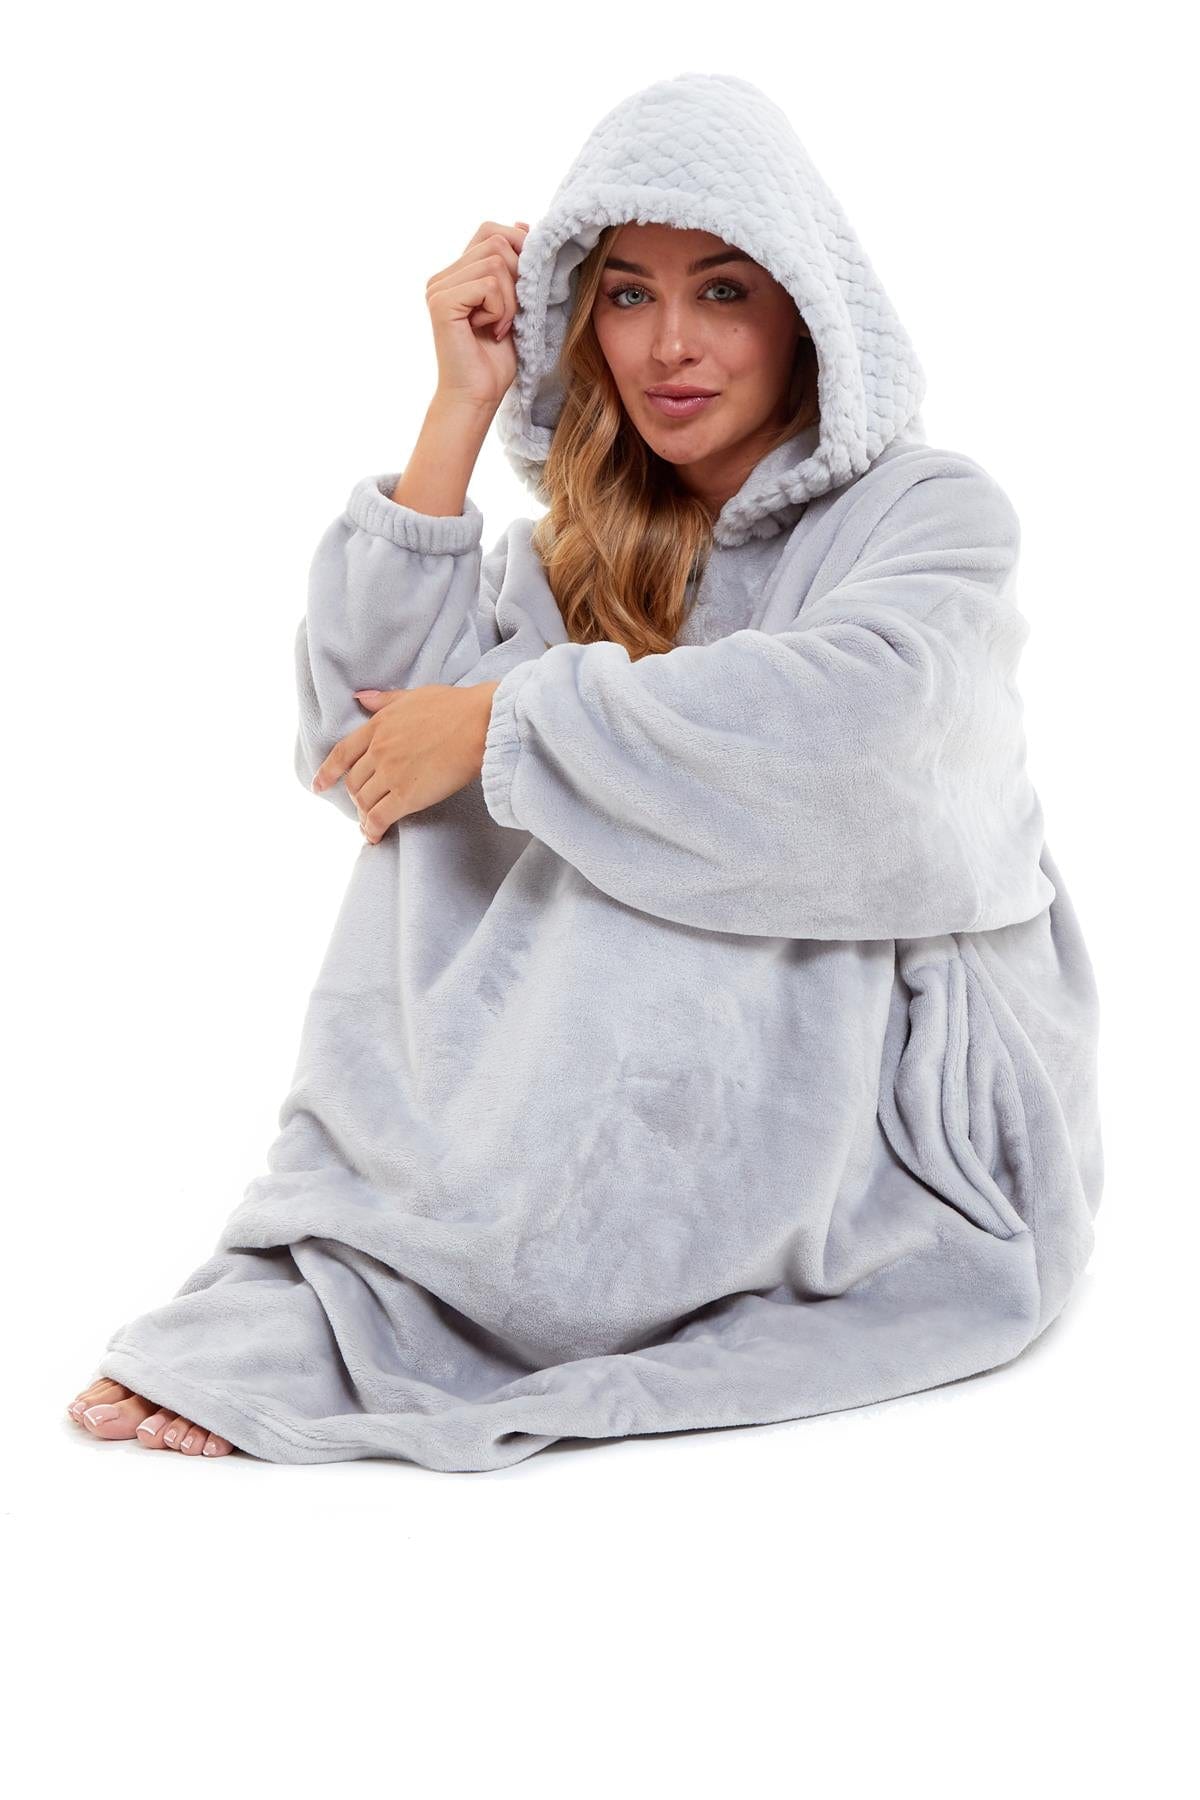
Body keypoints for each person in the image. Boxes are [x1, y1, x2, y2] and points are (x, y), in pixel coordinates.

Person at [66, 70, 1103, 1471]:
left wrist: (505, 725)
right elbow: (364, 758)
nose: (671, 344)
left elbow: (874, 737)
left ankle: (429, 1295)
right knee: (468, 790)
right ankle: (391, 1259)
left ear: (805, 311)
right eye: (626, 295)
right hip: (636, 1089)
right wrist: (458, 406)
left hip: (885, 1072)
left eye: (723, 291)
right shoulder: (584, 550)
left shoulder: (927, 510)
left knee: (602, 794)